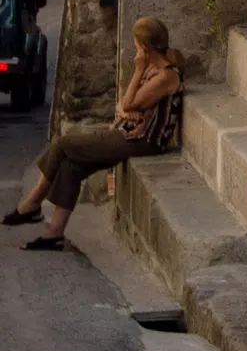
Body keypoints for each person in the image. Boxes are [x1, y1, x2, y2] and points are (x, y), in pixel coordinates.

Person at [4, 17, 184, 250]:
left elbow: (127, 104)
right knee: (71, 166)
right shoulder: (154, 70)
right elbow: (123, 106)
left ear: (145, 48)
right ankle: (54, 233)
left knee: (62, 144)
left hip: (142, 140)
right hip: (129, 133)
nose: (135, 50)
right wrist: (124, 109)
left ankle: (32, 203)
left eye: (136, 45)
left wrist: (136, 74)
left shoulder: (165, 76)